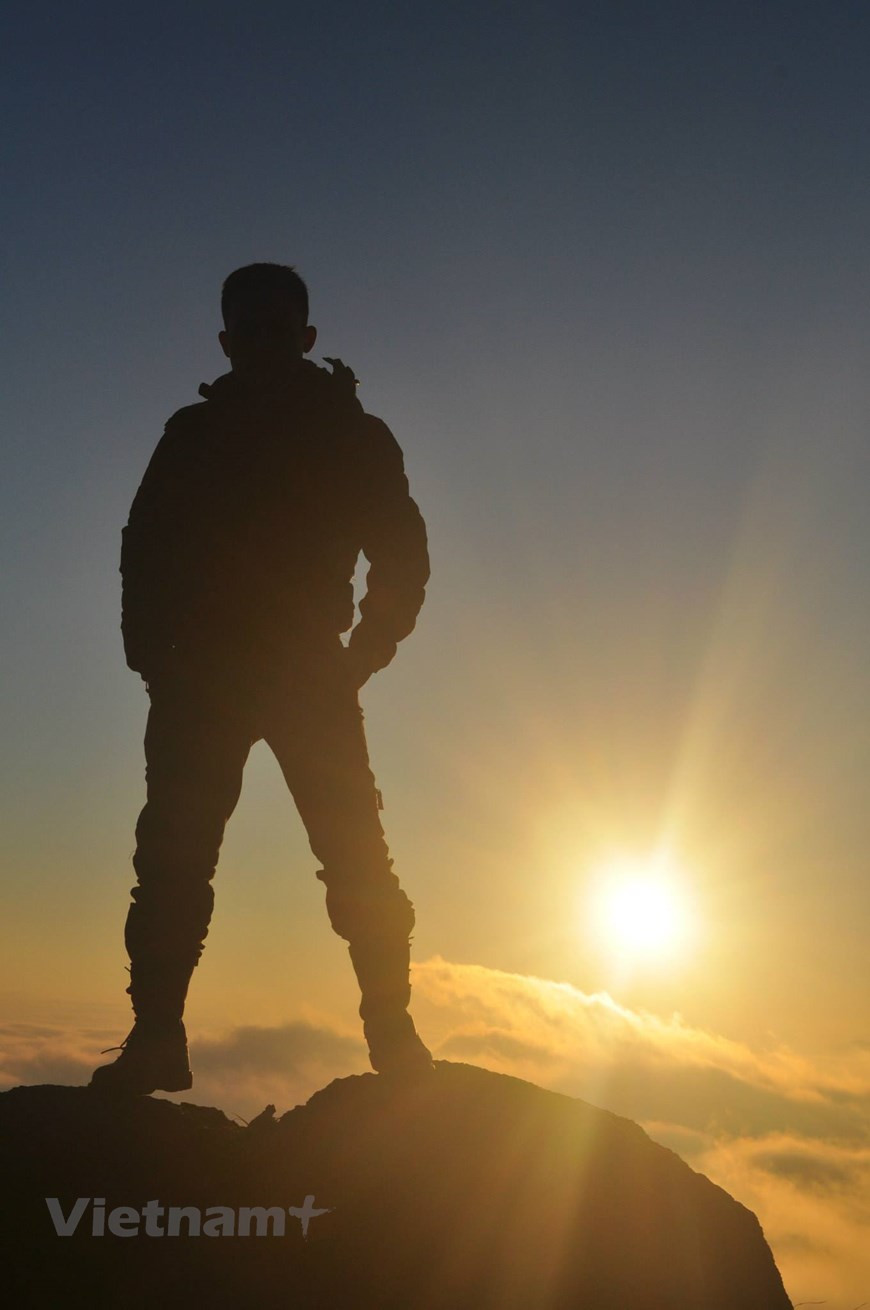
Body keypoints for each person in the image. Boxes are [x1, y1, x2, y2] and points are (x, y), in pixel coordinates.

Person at [90, 262, 434, 1094]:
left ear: (307, 338)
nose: (265, 343)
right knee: (172, 861)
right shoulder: (192, 434)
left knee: (356, 858)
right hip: (201, 678)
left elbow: (402, 550)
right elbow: (144, 544)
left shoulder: (353, 434)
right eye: (250, 330)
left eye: (279, 329)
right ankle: (156, 1040)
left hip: (307, 672)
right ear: (226, 340)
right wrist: (153, 657)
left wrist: (367, 650)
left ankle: (393, 1037)